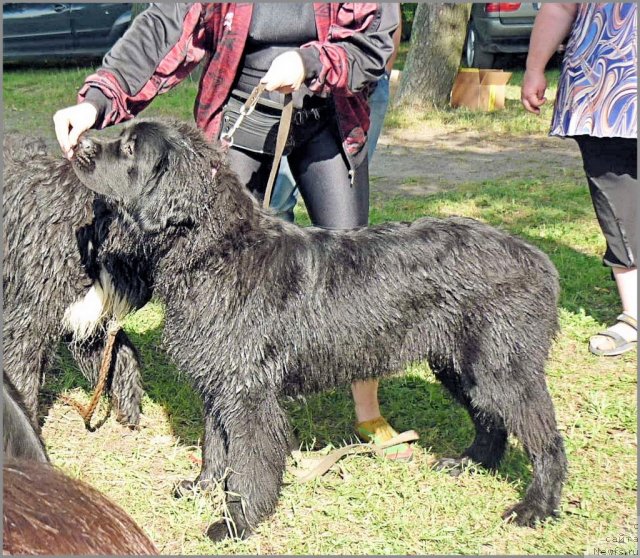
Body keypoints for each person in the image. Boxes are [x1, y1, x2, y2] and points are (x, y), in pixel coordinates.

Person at [53, 3, 413, 459]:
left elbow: (375, 41)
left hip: (332, 114)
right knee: (217, 271)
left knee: (351, 261)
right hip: (243, 109)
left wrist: (310, 62)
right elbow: (167, 26)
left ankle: (367, 410)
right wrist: (96, 101)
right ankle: (224, 424)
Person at [522, 2, 637, 357]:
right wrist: (534, 68)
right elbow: (559, 5)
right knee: (618, 200)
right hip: (604, 85)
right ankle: (634, 314)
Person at [270, 4, 402, 223]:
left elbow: (381, 28)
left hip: (345, 99)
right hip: (268, 99)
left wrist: (382, 75)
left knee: (348, 237)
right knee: (276, 206)